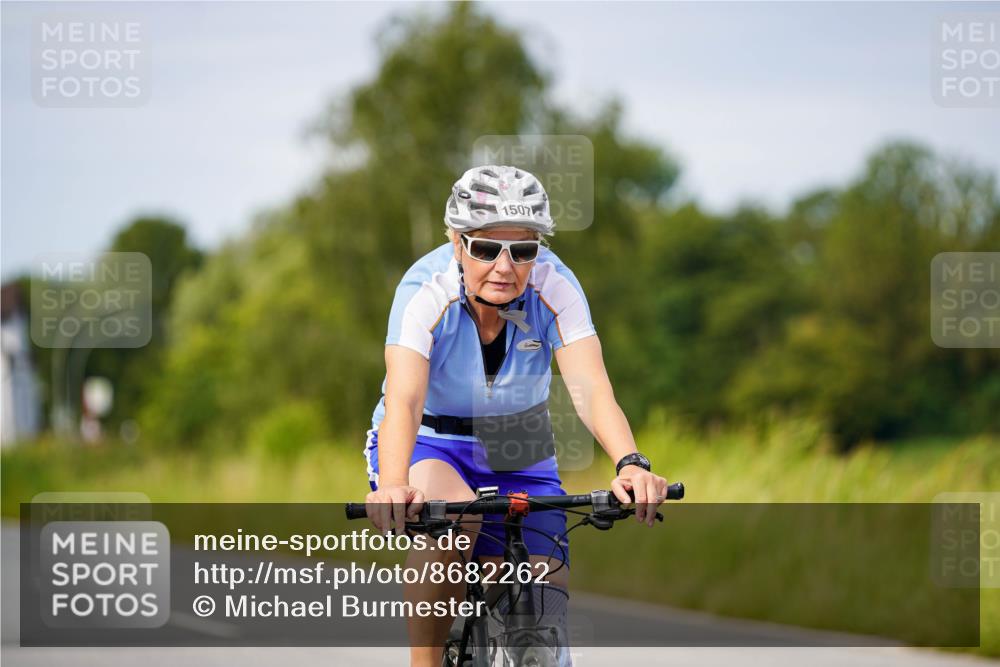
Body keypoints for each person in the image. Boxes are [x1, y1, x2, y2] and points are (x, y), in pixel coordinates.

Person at [362, 165, 671, 666]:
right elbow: (405, 400)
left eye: (523, 250)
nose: (505, 266)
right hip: (429, 441)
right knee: (452, 522)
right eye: (486, 249)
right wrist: (394, 485)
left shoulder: (556, 285)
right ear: (458, 243)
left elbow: (590, 387)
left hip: (517, 444)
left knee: (544, 593)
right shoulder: (425, 289)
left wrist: (630, 463)